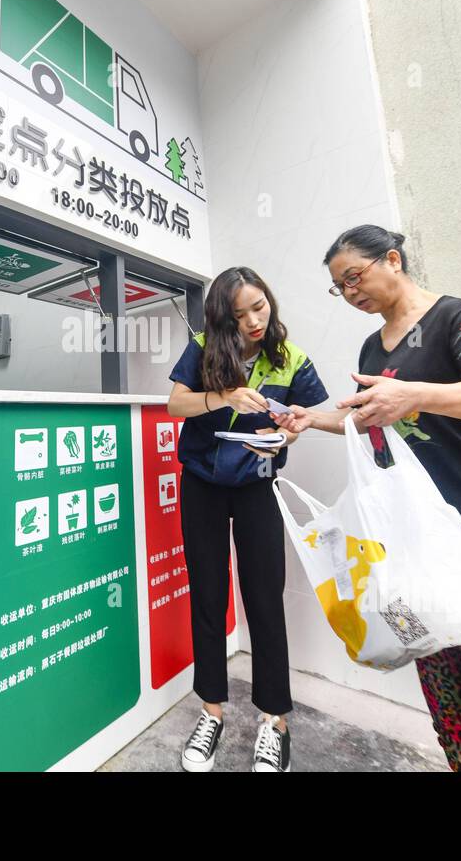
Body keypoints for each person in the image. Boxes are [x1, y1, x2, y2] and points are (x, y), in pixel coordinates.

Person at [273, 225, 461, 771]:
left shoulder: (457, 318)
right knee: (451, 695)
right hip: (417, 541)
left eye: (354, 277)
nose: (349, 292)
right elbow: (368, 415)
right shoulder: (372, 345)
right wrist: (310, 418)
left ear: (392, 259)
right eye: (340, 287)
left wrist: (415, 396)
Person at [167, 266, 329, 772]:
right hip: (202, 486)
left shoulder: (291, 357)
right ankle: (211, 711)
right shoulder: (202, 347)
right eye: (239, 315)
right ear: (221, 320)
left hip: (258, 484)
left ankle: (274, 721)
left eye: (259, 306)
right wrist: (224, 396)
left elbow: (306, 417)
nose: (254, 320)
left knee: (264, 599)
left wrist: (287, 434)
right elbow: (175, 405)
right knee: (209, 596)